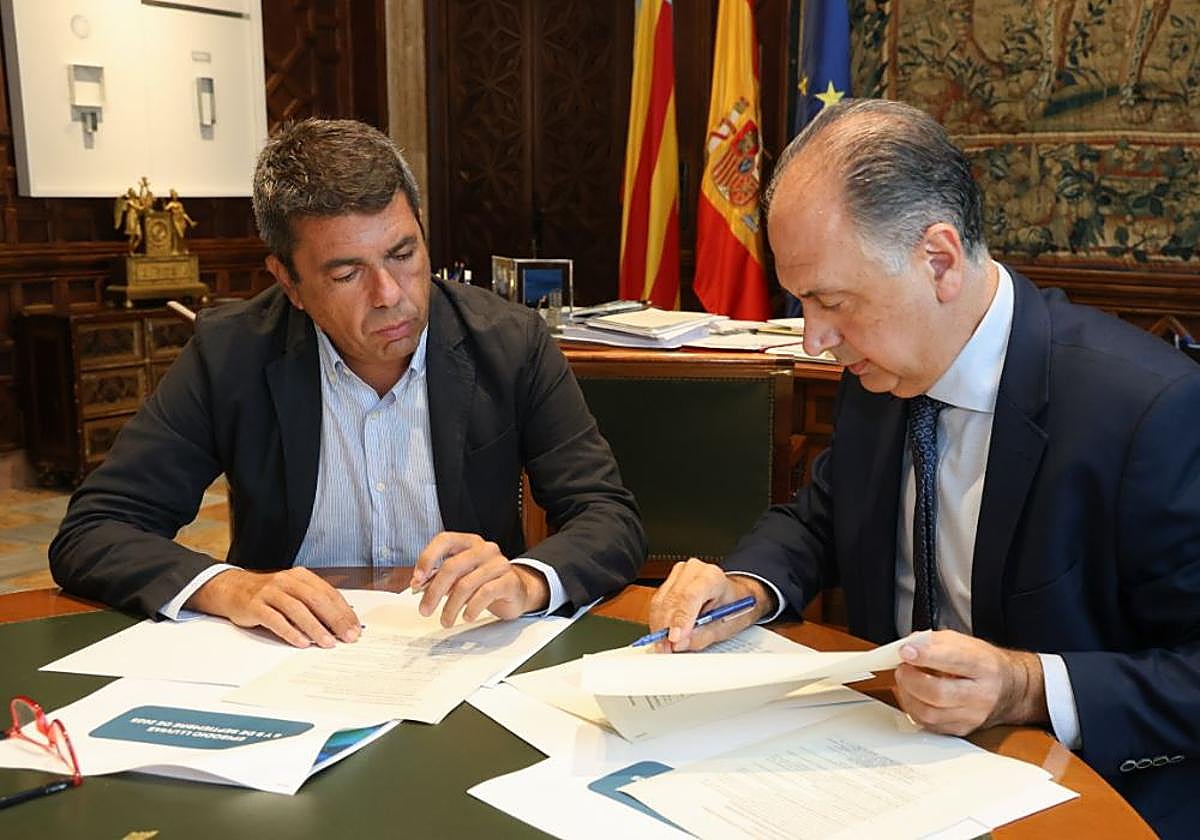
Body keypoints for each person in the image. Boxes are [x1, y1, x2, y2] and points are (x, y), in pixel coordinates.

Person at [647, 99, 1200, 836]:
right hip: (885, 771)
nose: (814, 340)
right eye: (804, 302)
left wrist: (1027, 685)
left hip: (1081, 798)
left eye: (832, 301)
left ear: (939, 261)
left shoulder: (1148, 411)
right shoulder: (882, 366)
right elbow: (824, 518)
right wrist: (744, 588)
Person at [51, 118, 645, 651]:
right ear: (289, 282)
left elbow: (608, 517)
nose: (389, 295)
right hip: (290, 654)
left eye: (403, 254)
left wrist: (525, 579)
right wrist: (229, 588)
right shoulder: (231, 353)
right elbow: (95, 529)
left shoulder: (509, 343)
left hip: (464, 647)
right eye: (347, 274)